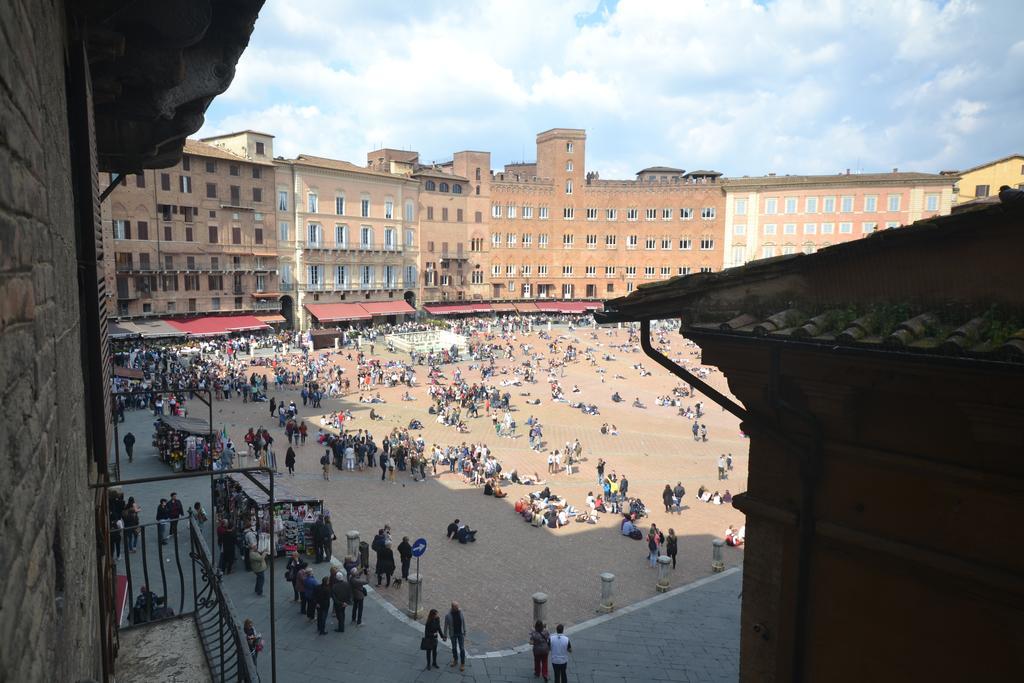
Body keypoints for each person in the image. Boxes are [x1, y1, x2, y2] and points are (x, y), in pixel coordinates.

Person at [444, 602, 467, 672]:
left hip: (460, 633)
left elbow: (463, 622)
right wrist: (445, 635)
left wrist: (465, 630)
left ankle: (462, 663)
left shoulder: (460, 612)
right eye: (456, 607)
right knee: (454, 648)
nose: (458, 608)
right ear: (452, 607)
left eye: (458, 606)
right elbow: (445, 626)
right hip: (453, 634)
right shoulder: (448, 615)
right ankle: (455, 659)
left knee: (462, 649)